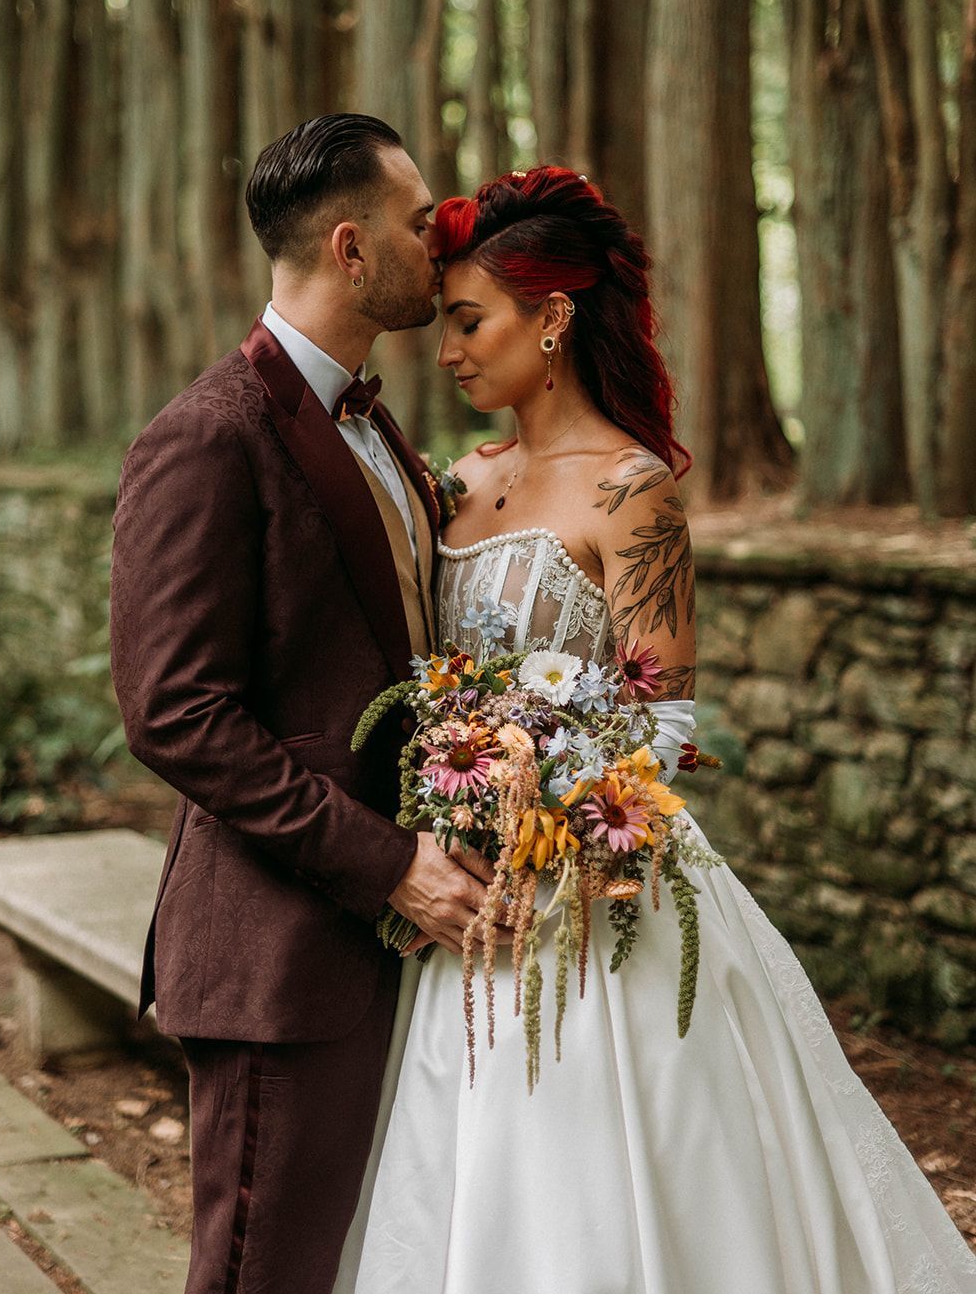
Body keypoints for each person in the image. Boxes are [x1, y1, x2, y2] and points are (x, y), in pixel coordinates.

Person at [335, 166, 976, 1293]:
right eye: (445, 325)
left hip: (597, 899)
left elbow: (665, 719)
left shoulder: (634, 491)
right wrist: (458, 797)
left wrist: (561, 809)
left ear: (554, 317)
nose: (447, 353)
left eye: (470, 321)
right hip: (468, 898)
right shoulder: (459, 482)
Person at [109, 114, 503, 1294]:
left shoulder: (376, 423)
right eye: (418, 219)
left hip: (391, 949)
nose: (442, 238)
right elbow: (175, 712)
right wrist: (389, 862)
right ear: (348, 245)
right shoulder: (206, 435)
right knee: (261, 1275)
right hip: (279, 953)